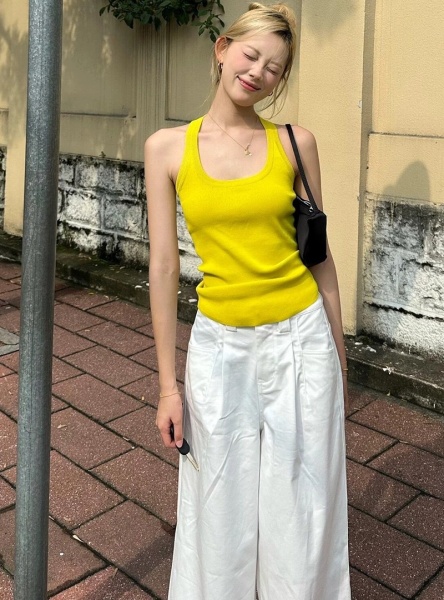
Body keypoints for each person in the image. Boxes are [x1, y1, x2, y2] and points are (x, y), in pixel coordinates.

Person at [145, 3, 351, 598]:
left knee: (304, 505)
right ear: (222, 49)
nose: (258, 72)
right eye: (250, 54)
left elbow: (319, 257)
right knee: (219, 508)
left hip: (301, 339)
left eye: (274, 68)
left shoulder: (295, 143)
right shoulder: (167, 149)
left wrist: (339, 357)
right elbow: (164, 267)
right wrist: (167, 388)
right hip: (220, 347)